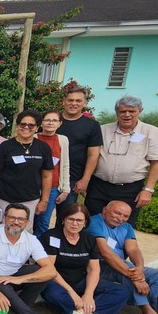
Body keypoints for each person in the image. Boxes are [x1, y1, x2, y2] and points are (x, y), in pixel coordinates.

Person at [39, 203, 129, 314]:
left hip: (80, 279)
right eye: (71, 219)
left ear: (85, 222)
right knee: (52, 293)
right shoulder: (52, 236)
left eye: (79, 220)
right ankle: (84, 309)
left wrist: (88, 294)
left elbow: (93, 269)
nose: (75, 223)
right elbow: (50, 269)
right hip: (56, 281)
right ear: (64, 219)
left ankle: (79, 312)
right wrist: (73, 293)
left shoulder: (89, 239)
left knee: (121, 292)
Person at [85, 96, 158, 226]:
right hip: (98, 186)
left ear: (140, 111)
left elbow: (156, 164)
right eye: (122, 111)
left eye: (132, 111)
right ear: (117, 112)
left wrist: (148, 190)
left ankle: (115, 247)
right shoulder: (102, 130)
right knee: (93, 223)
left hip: (129, 189)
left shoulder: (152, 132)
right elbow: (91, 155)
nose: (127, 115)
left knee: (122, 226)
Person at [0, 108, 53, 229]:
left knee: (24, 232)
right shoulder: (5, 146)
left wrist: (44, 200)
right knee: (3, 230)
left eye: (31, 125)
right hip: (5, 198)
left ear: (37, 128)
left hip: (30, 199)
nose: (26, 127)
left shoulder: (43, 148)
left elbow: (47, 175)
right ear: (17, 126)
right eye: (23, 124)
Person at [55, 85, 102, 220]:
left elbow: (93, 155)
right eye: (70, 100)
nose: (73, 104)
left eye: (78, 101)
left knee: (65, 217)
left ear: (85, 103)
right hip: (47, 177)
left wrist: (85, 180)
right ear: (64, 101)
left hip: (72, 179)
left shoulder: (91, 126)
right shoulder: (52, 121)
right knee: (41, 217)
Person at [33, 110, 71, 238]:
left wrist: (65, 189)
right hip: (32, 186)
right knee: (27, 219)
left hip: (52, 187)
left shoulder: (63, 140)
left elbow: (65, 164)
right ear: (41, 122)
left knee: (43, 222)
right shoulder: (33, 137)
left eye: (54, 120)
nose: (50, 123)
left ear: (59, 124)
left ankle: (38, 251)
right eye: (47, 120)